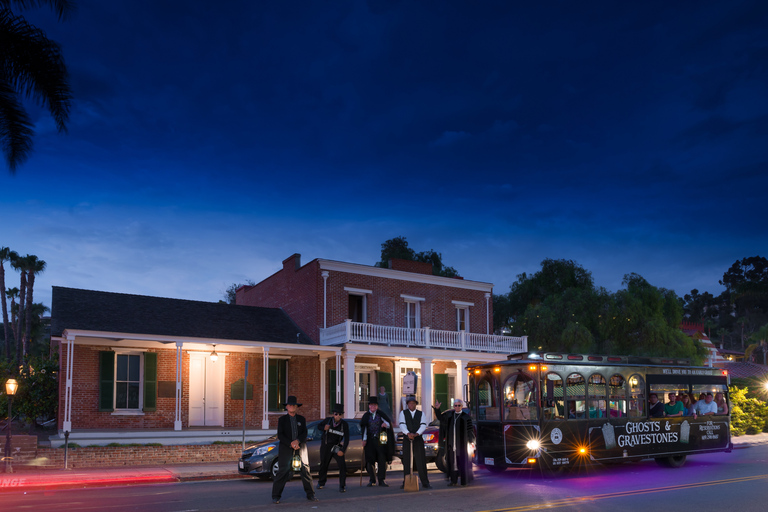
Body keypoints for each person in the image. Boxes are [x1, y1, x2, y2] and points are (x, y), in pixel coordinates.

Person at [271, 396, 318, 504]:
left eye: (294, 405)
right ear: (287, 407)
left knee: (305, 471)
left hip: (300, 449)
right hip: (286, 449)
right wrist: (291, 443)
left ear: (296, 407)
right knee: (282, 472)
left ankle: (311, 494)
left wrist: (297, 441)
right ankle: (276, 496)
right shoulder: (282, 420)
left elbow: (304, 433)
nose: (292, 407)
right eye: (290, 405)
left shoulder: (302, 419)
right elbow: (280, 435)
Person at [433, 399, 475, 487]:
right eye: (455, 405)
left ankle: (464, 481)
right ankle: (453, 481)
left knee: (462, 463)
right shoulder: (450, 416)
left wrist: (471, 441)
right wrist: (437, 409)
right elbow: (441, 418)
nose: (457, 407)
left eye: (459, 405)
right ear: (453, 406)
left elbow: (470, 431)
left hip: (462, 445)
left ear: (461, 406)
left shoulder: (466, 417)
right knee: (452, 463)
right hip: (451, 444)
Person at [360, 395, 395, 487]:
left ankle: (381, 479)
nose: (373, 407)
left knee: (381, 459)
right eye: (371, 405)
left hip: (381, 440)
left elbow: (388, 423)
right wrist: (364, 440)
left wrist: (385, 424)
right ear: (369, 406)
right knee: (370, 460)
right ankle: (372, 479)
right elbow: (364, 429)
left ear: (377, 406)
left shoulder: (380, 414)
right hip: (370, 440)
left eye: (374, 405)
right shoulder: (366, 416)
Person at [398, 395, 431, 489]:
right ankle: (406, 482)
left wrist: (417, 433)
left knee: (421, 460)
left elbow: (423, 424)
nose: (411, 405)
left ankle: (425, 482)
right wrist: (407, 433)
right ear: (407, 404)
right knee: (407, 460)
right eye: (410, 403)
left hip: (418, 439)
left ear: (416, 404)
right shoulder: (403, 413)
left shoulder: (421, 414)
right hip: (407, 439)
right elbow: (402, 423)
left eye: (413, 403)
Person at [316, 404, 349, 493]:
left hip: (336, 446)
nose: (337, 416)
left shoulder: (344, 425)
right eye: (335, 414)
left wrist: (343, 450)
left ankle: (342, 486)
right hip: (326, 446)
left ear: (342, 415)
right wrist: (324, 428)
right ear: (333, 414)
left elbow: (347, 439)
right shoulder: (328, 421)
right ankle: (321, 482)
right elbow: (318, 426)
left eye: (339, 414)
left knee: (342, 465)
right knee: (323, 464)